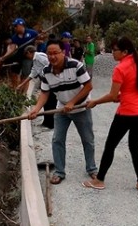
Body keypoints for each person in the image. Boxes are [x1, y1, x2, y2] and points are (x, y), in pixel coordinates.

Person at [82, 37, 138, 193]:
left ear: (124, 52)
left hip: (127, 112)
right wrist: (121, 95)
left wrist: (95, 102)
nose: (112, 53)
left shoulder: (120, 68)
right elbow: (131, 89)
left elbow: (113, 95)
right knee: (134, 146)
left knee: (110, 145)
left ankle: (99, 180)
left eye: (115, 50)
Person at [28, 39, 97, 184]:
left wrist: (73, 102)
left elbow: (88, 86)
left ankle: (92, 169)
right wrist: (35, 109)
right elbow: (45, 93)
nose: (52, 57)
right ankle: (59, 171)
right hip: (62, 108)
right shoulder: (46, 71)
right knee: (57, 139)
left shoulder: (75, 65)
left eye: (55, 53)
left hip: (81, 107)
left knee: (87, 140)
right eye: (49, 54)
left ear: (63, 52)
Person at [17, 45, 56, 128]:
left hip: (50, 81)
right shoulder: (35, 60)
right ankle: (47, 121)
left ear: (29, 53)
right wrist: (22, 84)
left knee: (51, 102)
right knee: (46, 103)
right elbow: (33, 73)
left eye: (26, 55)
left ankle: (51, 123)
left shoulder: (39, 57)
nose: (27, 57)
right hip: (45, 80)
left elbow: (51, 65)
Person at [0, 18, 38, 88]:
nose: (14, 28)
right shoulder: (14, 38)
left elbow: (40, 38)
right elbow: (11, 48)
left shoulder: (31, 33)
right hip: (17, 58)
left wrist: (37, 43)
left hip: (27, 58)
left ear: (21, 25)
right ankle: (15, 90)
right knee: (14, 74)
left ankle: (22, 93)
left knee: (25, 76)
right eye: (14, 26)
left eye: (16, 26)